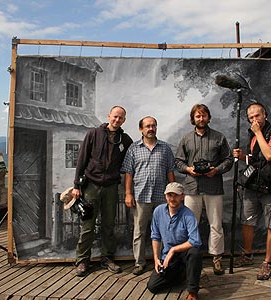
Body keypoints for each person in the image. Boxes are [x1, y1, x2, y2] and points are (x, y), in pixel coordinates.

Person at [72, 106, 133, 277]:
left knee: (108, 224)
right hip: (91, 185)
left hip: (111, 187)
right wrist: (77, 185)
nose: (117, 120)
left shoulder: (125, 140)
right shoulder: (93, 134)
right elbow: (82, 159)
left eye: (121, 118)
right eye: (115, 116)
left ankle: (107, 257)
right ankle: (83, 260)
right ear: (109, 116)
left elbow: (129, 162)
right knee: (88, 225)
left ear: (124, 120)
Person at [175, 104, 233, 276]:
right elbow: (178, 161)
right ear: (193, 118)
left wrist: (216, 170)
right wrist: (188, 169)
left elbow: (229, 160)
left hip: (213, 187)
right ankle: (192, 259)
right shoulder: (186, 139)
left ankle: (216, 259)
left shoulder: (219, 137)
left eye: (204, 115)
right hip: (192, 187)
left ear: (208, 117)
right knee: (191, 226)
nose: (201, 119)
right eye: (197, 116)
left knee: (216, 225)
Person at [233, 102, 271, 280]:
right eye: (251, 117)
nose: (254, 119)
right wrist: (242, 157)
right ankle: (247, 254)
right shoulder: (254, 135)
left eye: (257, 116)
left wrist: (258, 133)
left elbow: (270, 155)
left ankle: (267, 263)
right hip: (253, 184)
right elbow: (256, 160)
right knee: (247, 220)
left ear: (265, 115)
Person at [121, 116, 175, 276]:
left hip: (161, 197)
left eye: (153, 126)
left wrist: (173, 193)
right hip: (141, 196)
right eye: (147, 126)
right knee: (139, 231)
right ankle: (139, 263)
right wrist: (128, 194)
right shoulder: (133, 149)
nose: (151, 128)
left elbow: (170, 172)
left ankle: (166, 260)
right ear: (141, 129)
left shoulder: (165, 148)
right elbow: (128, 173)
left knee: (166, 230)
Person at [147, 182, 202, 300]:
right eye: (169, 195)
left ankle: (193, 292)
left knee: (195, 253)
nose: (172, 199)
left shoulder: (188, 214)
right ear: (165, 196)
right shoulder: (158, 211)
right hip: (167, 255)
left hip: (184, 253)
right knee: (152, 286)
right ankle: (182, 275)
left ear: (182, 196)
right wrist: (156, 258)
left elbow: (195, 241)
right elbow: (155, 236)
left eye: (176, 195)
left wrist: (173, 250)